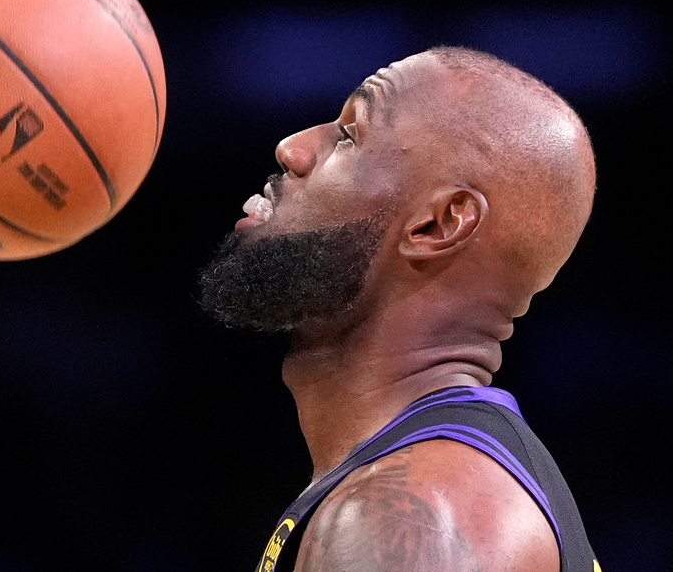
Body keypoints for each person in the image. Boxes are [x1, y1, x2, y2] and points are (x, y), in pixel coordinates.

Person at [199, 47, 600, 572]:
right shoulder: (430, 482)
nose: (293, 149)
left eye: (348, 135)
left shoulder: (413, 518)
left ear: (435, 226)